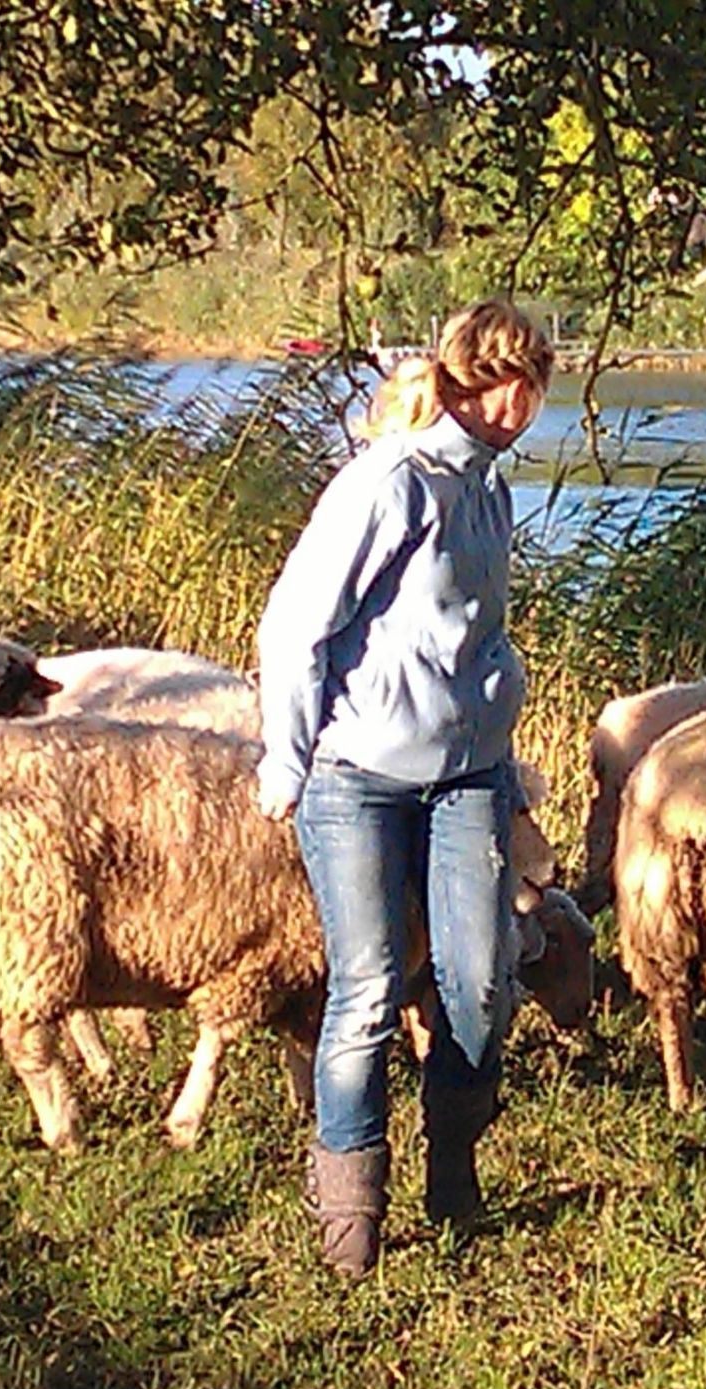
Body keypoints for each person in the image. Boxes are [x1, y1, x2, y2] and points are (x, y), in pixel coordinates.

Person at [254, 298, 556, 1279]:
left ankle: (453, 1169)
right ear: (467, 379)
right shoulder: (390, 482)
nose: (517, 406)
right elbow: (296, 625)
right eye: (503, 383)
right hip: (358, 778)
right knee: (369, 989)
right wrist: (286, 760)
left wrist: (501, 729)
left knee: (480, 981)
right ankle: (351, 1217)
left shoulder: (489, 491)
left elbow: (472, 634)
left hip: (468, 778)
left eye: (532, 388)